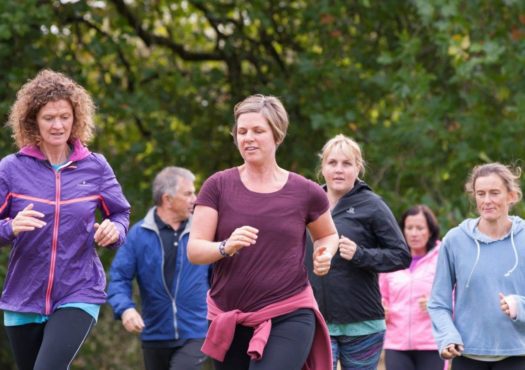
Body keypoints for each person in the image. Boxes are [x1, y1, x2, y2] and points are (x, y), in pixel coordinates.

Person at [187, 94, 339, 370]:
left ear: (277, 135)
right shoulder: (217, 186)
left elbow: (328, 234)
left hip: (289, 312)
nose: (248, 138)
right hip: (228, 317)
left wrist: (325, 252)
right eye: (242, 132)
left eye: (258, 131)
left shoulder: (305, 191)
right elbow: (195, 249)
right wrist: (225, 246)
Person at [0, 69, 130, 370]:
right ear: (33, 120)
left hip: (79, 289)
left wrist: (115, 230)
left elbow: (120, 213)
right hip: (24, 295)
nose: (58, 125)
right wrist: (10, 227)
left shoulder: (95, 167)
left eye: (65, 117)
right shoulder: (11, 169)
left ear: (76, 119)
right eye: (49, 118)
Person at [305, 134, 411, 370]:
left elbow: (401, 255)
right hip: (316, 321)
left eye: (347, 163)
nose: (339, 170)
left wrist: (360, 254)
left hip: (364, 325)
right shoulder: (309, 205)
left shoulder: (372, 204)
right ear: (322, 167)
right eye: (332, 163)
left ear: (358, 168)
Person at [108, 166, 210, 370]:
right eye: (188, 193)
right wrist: (126, 309)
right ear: (168, 199)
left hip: (197, 332)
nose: (195, 199)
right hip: (154, 334)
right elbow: (118, 278)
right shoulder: (138, 235)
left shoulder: (204, 232)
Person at [428, 162, 525, 370]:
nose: (487, 200)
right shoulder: (454, 240)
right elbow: (438, 303)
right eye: (481, 194)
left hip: (518, 354)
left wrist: (520, 306)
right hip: (467, 355)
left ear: (511, 196)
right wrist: (448, 336)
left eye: (494, 193)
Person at [379, 205, 445, 370]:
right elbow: (381, 296)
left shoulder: (443, 258)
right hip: (396, 344)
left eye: (420, 228)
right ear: (402, 231)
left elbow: (455, 297)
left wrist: (436, 303)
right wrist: (381, 308)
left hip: (432, 343)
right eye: (409, 228)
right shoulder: (392, 259)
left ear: (430, 231)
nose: (414, 233)